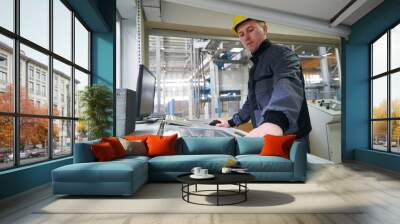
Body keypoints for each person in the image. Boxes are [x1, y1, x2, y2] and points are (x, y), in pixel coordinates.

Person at [216, 16, 312, 140]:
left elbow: (287, 84)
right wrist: (230, 122)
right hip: (267, 133)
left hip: (290, 136)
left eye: (250, 30)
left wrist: (275, 120)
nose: (246, 37)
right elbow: (251, 102)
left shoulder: (282, 54)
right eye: (241, 34)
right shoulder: (255, 67)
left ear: (265, 29)